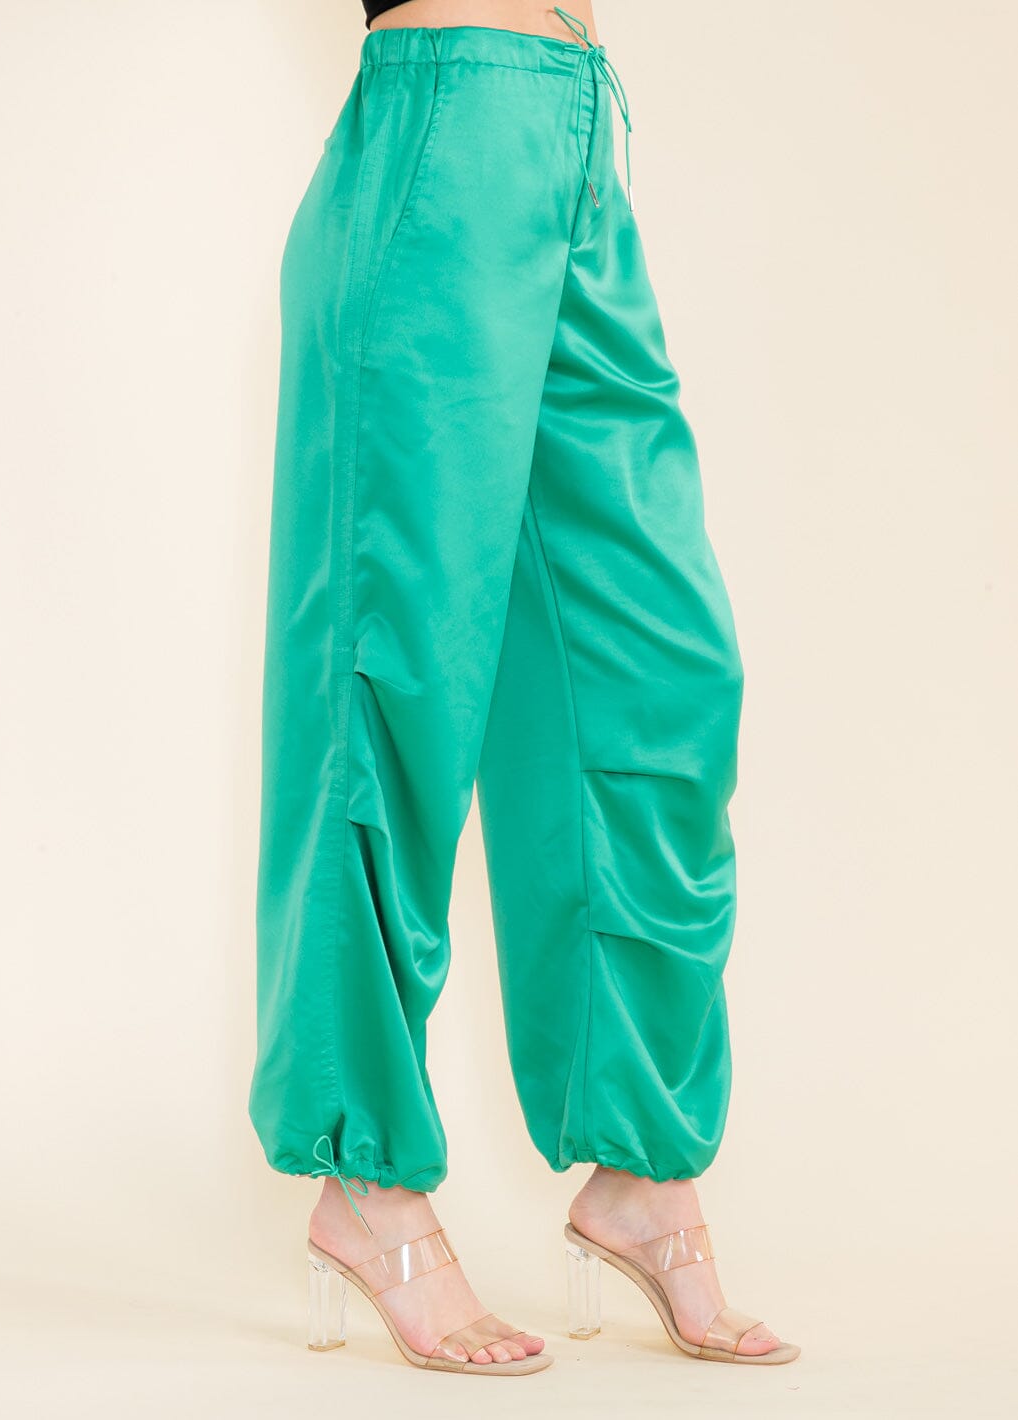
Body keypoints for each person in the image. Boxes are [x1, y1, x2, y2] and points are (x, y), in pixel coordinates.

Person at [249, 0, 800, 1375]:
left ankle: (640, 1168)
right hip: (441, 119)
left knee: (657, 672)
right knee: (393, 674)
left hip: (580, 139)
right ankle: (365, 1181)